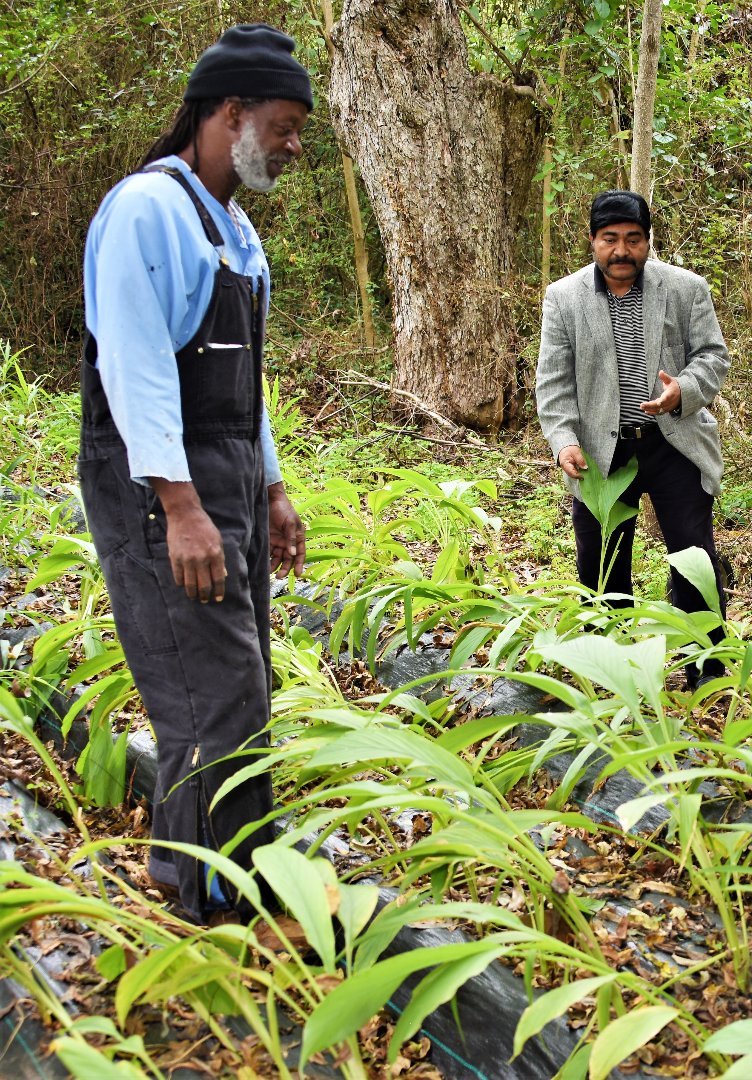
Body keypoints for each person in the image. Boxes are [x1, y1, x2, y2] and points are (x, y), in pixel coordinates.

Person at [78, 25, 312, 922]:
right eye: (284, 127)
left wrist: (272, 486)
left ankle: (206, 876)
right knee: (209, 698)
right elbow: (133, 369)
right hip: (160, 487)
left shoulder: (237, 232)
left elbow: (240, 384)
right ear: (228, 112)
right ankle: (215, 905)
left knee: (244, 687)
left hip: (228, 476)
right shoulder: (148, 211)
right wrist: (179, 505)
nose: (293, 148)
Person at [535, 191, 731, 684]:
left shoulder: (686, 289)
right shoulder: (565, 297)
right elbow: (554, 382)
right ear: (592, 241)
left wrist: (682, 390)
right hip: (603, 451)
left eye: (633, 239)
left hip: (674, 441)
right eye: (610, 240)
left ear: (647, 241)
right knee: (603, 562)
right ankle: (611, 670)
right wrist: (564, 442)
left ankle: (707, 670)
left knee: (693, 557)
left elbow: (713, 356)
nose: (621, 251)